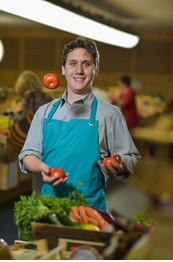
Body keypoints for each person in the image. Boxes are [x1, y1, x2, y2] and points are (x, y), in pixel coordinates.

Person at [19, 37, 140, 211]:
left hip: (90, 210)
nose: (79, 70)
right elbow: (28, 154)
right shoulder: (44, 112)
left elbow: (132, 158)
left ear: (96, 69)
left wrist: (120, 166)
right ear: (63, 69)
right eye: (73, 63)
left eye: (86, 64)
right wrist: (41, 167)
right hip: (46, 209)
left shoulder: (110, 115)